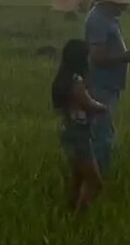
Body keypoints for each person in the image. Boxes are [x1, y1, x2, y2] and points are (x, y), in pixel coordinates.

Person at [83, 0, 130, 176]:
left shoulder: (110, 19)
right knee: (103, 136)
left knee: (103, 132)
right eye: (123, 4)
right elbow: (97, 56)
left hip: (109, 85)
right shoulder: (98, 19)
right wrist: (125, 57)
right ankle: (98, 177)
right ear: (111, 2)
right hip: (100, 85)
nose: (125, 9)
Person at [52, 39, 107, 212]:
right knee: (94, 182)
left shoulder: (63, 78)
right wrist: (103, 107)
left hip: (69, 131)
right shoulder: (76, 81)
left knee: (78, 179)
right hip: (79, 135)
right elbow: (87, 103)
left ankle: (70, 211)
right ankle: (80, 216)